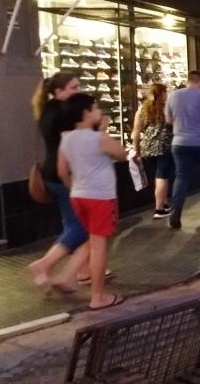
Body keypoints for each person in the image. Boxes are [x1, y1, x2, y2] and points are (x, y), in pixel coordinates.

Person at [58, 93, 128, 310]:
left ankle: (68, 276)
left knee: (91, 240)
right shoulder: (98, 138)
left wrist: (75, 187)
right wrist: (103, 132)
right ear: (87, 113)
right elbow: (122, 154)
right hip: (100, 197)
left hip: (78, 196)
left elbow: (62, 171)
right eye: (96, 108)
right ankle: (98, 297)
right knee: (99, 247)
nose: (100, 112)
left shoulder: (66, 138)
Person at [28, 72, 93, 289]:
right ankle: (44, 264)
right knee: (82, 228)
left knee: (72, 224)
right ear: (58, 91)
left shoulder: (47, 110)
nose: (78, 91)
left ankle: (79, 272)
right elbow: (69, 149)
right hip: (64, 175)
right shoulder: (64, 114)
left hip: (49, 174)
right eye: (73, 88)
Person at [165, 70, 200, 229]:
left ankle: (175, 213)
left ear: (188, 80)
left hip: (180, 143)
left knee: (181, 177)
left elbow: (168, 120)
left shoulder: (173, 95)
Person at [132, 83, 174, 219]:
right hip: (164, 147)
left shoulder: (142, 109)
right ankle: (159, 209)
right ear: (162, 94)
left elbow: (136, 132)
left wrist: (136, 150)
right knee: (162, 177)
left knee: (158, 176)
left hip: (147, 148)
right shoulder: (166, 109)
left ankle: (165, 203)